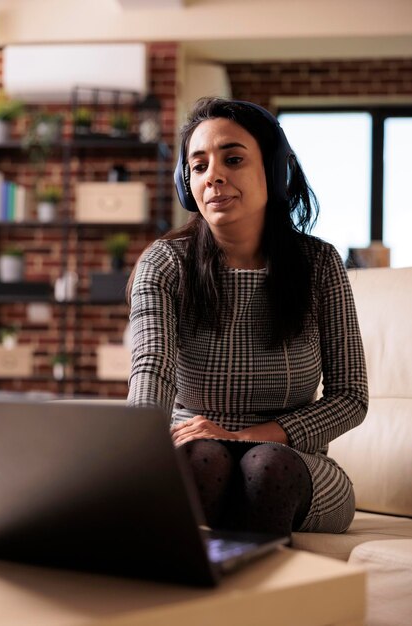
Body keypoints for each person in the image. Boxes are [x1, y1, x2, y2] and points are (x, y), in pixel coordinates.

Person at [127, 97, 368, 537]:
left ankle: (267, 604)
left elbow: (350, 397)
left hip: (297, 462)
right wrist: (135, 452)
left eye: (233, 159)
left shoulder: (319, 263)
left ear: (274, 171)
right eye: (197, 167)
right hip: (192, 445)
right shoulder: (164, 263)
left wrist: (249, 435)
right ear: (187, 184)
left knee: (266, 465)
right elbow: (152, 370)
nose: (213, 176)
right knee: (205, 457)